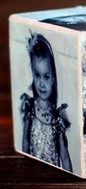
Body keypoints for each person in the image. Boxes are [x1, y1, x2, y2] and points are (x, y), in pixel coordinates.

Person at [20, 32, 73, 172]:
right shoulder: (30, 109)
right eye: (37, 75)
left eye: (46, 77)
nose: (41, 83)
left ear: (53, 79)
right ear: (32, 73)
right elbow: (25, 142)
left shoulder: (57, 119)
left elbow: (65, 157)